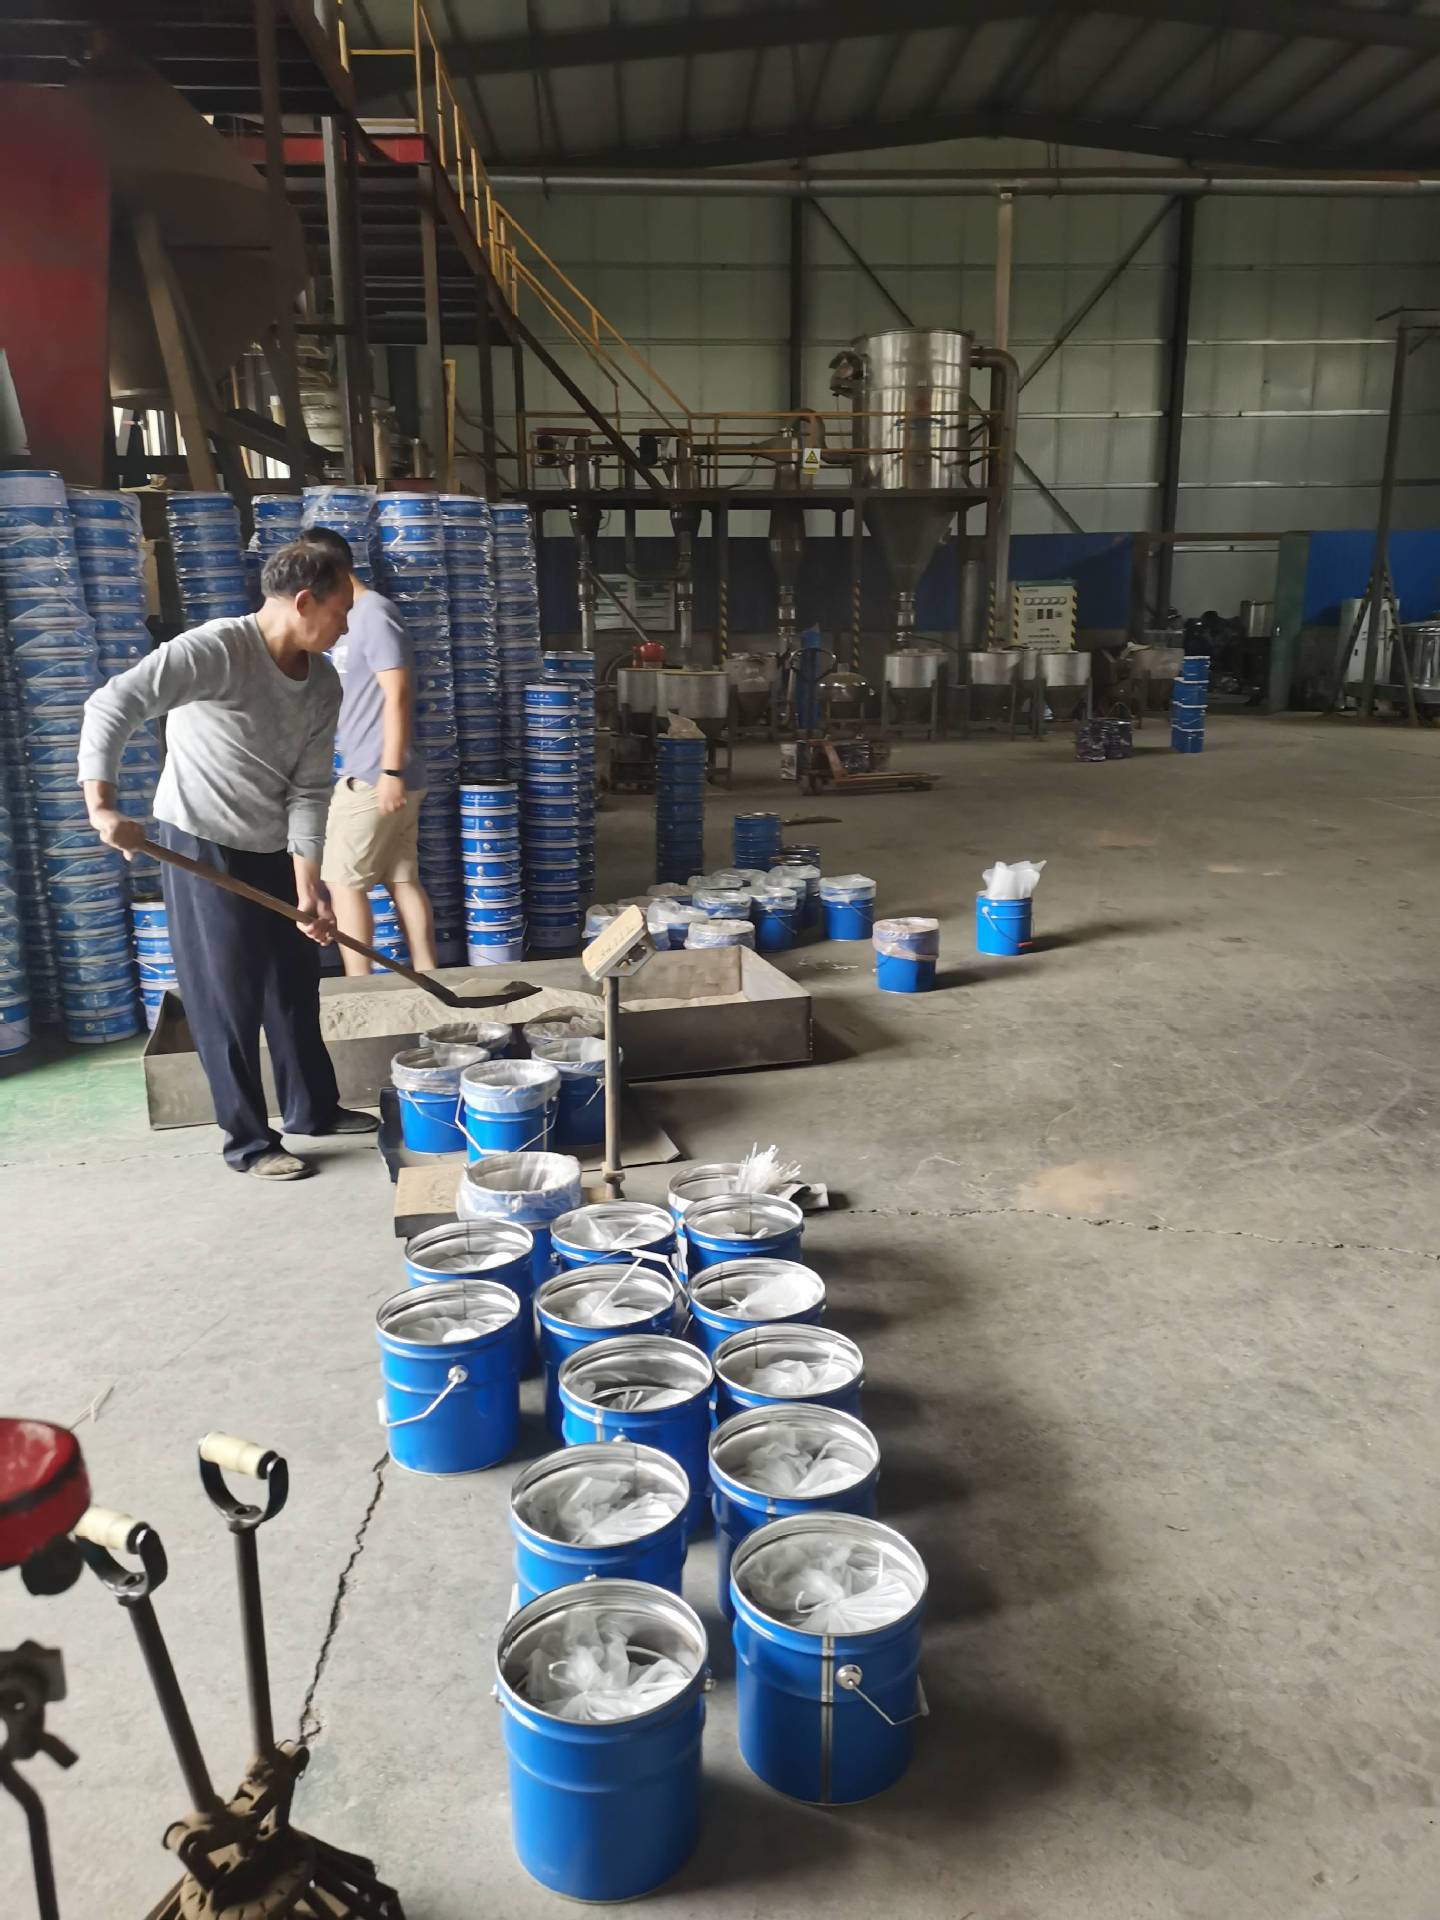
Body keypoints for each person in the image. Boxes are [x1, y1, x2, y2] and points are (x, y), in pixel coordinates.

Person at [78, 537, 378, 1182]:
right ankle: (248, 1140)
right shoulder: (215, 649)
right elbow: (113, 703)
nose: (346, 627)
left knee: (294, 982)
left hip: (272, 844)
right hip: (202, 842)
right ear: (305, 602)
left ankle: (313, 1109)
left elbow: (308, 789)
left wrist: (308, 884)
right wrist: (102, 804)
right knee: (227, 995)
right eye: (342, 612)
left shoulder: (323, 681)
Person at [305, 524, 435, 977]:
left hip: (375, 774)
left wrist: (390, 771)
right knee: (402, 878)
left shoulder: (374, 613)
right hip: (378, 771)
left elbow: (398, 692)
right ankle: (429, 974)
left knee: (342, 882)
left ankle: (359, 985)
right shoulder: (345, 617)